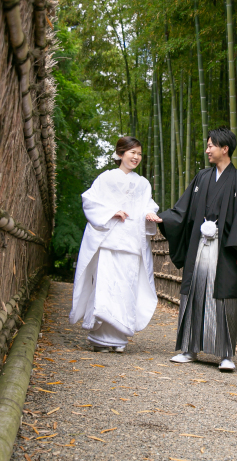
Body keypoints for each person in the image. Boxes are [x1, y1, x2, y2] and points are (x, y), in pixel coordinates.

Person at [151, 127, 237, 372]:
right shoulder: (202, 177)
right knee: (195, 290)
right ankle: (189, 349)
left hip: (225, 247)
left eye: (211, 145)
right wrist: (164, 218)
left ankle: (226, 354)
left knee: (224, 296)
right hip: (200, 244)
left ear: (225, 148)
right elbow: (184, 210)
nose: (207, 149)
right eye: (207, 145)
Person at [69, 136, 160, 352]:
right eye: (132, 152)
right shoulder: (106, 179)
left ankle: (119, 337)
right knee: (106, 287)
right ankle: (101, 337)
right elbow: (90, 201)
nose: (136, 157)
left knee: (126, 288)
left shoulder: (143, 183)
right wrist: (111, 212)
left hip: (131, 244)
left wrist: (149, 214)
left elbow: (148, 204)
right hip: (109, 242)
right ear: (120, 154)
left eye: (139, 153)